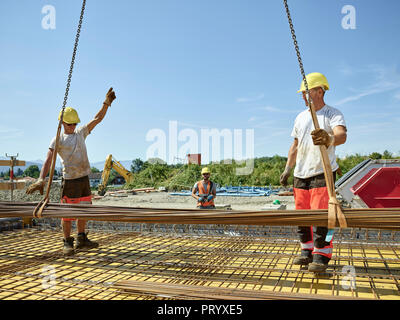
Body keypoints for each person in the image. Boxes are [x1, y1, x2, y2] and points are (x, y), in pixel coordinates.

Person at [26, 88, 116, 255]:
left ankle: (81, 238)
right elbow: (49, 160)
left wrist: (106, 104)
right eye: (70, 124)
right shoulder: (57, 139)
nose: (73, 126)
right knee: (67, 213)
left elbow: (97, 119)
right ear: (61, 123)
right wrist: (41, 179)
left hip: (83, 179)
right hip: (70, 181)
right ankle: (67, 242)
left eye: (75, 123)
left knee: (84, 210)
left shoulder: (80, 133)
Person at [280, 73, 347, 273]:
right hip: (300, 174)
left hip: (322, 172)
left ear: (320, 91)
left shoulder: (332, 114)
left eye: (306, 92)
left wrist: (328, 138)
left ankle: (321, 255)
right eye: (302, 93)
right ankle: (306, 252)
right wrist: (287, 169)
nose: (303, 96)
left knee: (320, 216)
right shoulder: (300, 117)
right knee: (302, 216)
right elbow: (295, 145)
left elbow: (341, 135)